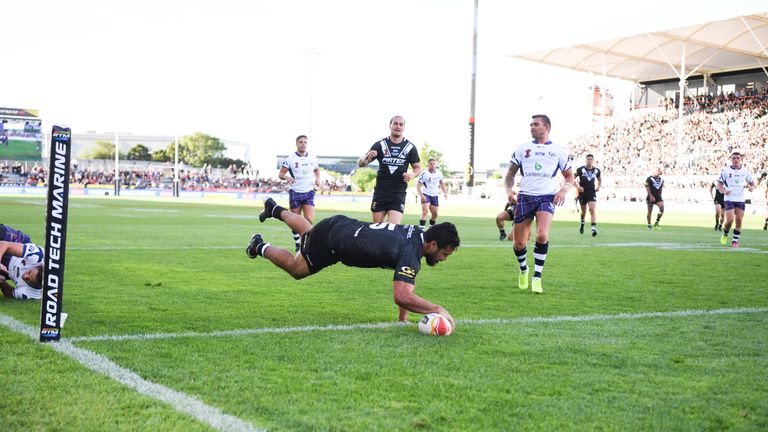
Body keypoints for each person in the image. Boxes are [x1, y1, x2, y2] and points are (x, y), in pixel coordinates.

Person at [249, 197, 459, 326]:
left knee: (308, 231)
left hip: (341, 224)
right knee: (296, 269)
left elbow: (406, 280)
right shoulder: (411, 251)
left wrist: (403, 319)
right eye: (445, 254)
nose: (444, 259)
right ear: (432, 245)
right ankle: (258, 245)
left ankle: (273, 209)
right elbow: (402, 296)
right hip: (331, 243)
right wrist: (437, 309)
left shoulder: (417, 234)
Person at [504, 114, 575, 294]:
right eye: (531, 125)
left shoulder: (559, 150)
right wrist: (508, 192)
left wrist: (562, 191)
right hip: (525, 197)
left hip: (547, 197)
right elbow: (510, 174)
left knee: (542, 235)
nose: (532, 127)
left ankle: (537, 277)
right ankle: (523, 270)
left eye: (536, 124)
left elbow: (569, 177)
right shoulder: (523, 149)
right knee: (519, 243)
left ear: (546, 127)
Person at [357, 115, 421, 224]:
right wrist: (366, 157)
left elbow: (418, 168)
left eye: (401, 124)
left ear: (404, 127)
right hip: (381, 192)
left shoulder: (410, 147)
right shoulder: (380, 144)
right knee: (377, 228)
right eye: (395, 123)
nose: (398, 126)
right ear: (390, 126)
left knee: (393, 227)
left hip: (398, 192)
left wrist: (412, 175)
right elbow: (361, 164)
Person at [278, 134, 321, 251]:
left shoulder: (313, 158)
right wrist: (287, 178)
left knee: (309, 220)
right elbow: (281, 174)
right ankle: (297, 244)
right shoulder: (289, 159)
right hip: (295, 192)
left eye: (305, 142)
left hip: (309, 192)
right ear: (296, 144)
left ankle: (307, 245)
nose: (303, 144)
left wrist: (318, 179)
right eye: (301, 142)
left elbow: (317, 170)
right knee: (295, 221)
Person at [717, 152, 756, 248]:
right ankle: (725, 234)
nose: (736, 160)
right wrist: (723, 191)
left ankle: (735, 241)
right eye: (734, 158)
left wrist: (751, 188)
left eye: (738, 158)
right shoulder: (725, 171)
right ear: (731, 159)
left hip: (740, 199)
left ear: (740, 159)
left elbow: (753, 183)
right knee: (730, 220)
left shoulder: (745, 172)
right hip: (729, 198)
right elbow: (719, 184)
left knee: (739, 220)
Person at [416, 158, 448, 230]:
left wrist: (445, 193)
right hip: (426, 194)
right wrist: (421, 195)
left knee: (435, 215)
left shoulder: (439, 173)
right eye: (431, 164)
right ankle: (421, 230)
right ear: (428, 165)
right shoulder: (424, 173)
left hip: (435, 195)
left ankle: (431, 229)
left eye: (434, 163)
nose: (432, 165)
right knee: (425, 212)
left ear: (436, 164)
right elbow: (418, 185)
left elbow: (441, 183)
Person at [575, 154, 602, 236]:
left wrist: (599, 186)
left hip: (591, 192)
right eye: (588, 159)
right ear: (586, 160)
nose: (589, 161)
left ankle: (593, 229)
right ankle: (582, 223)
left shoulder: (597, 170)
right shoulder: (580, 170)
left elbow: (600, 179)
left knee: (592, 210)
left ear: (593, 161)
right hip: (582, 193)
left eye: (591, 159)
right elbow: (572, 178)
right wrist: (578, 187)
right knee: (583, 212)